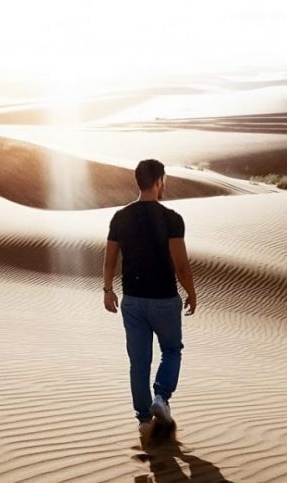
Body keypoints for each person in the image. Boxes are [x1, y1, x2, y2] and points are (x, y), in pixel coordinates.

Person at [103, 159, 197, 431]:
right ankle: (161, 397)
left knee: (139, 362)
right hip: (164, 301)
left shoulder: (120, 217)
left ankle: (144, 420)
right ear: (158, 181)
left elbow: (110, 260)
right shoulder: (171, 218)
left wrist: (108, 290)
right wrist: (191, 293)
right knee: (171, 351)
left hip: (132, 302)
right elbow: (180, 264)